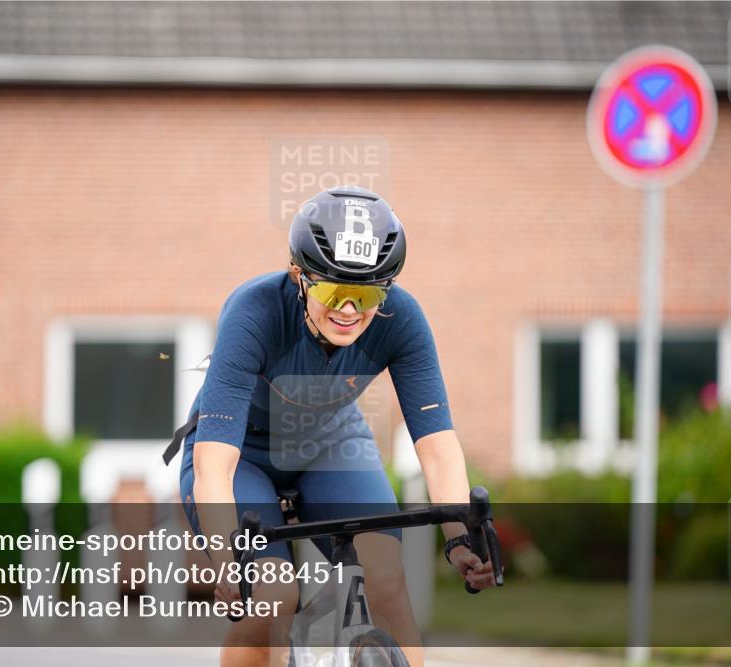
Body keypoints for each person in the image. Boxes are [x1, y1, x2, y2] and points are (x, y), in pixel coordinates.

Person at [163, 186, 495, 667]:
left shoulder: (402, 319)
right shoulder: (254, 312)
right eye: (331, 290)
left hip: (332, 444)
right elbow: (216, 462)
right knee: (271, 596)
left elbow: (438, 444)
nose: (348, 310)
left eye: (364, 294)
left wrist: (459, 537)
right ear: (299, 276)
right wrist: (224, 558)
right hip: (244, 456)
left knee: (385, 579)